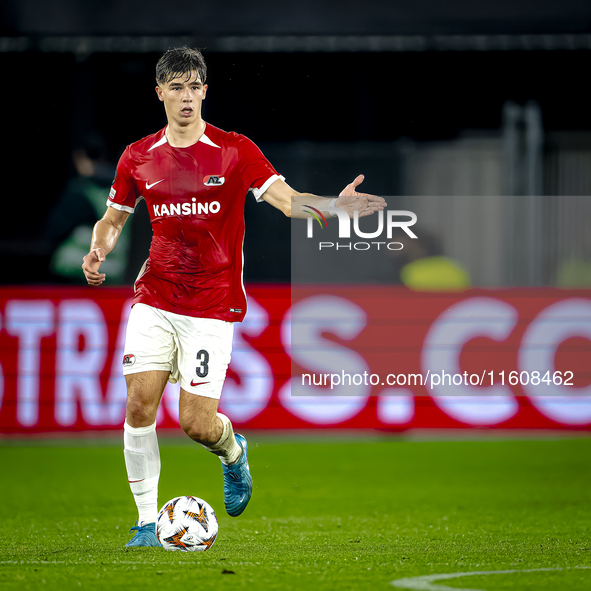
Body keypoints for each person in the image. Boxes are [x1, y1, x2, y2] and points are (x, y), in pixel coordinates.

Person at [81, 46, 386, 547]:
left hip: (211, 305)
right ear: (159, 92)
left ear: (205, 91)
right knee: (139, 405)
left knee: (197, 424)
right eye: (176, 87)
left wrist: (336, 206)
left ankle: (232, 453)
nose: (186, 96)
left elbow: (288, 203)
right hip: (155, 296)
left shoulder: (235, 150)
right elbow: (113, 219)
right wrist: (98, 250)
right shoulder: (137, 156)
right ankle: (144, 523)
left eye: (195, 86)